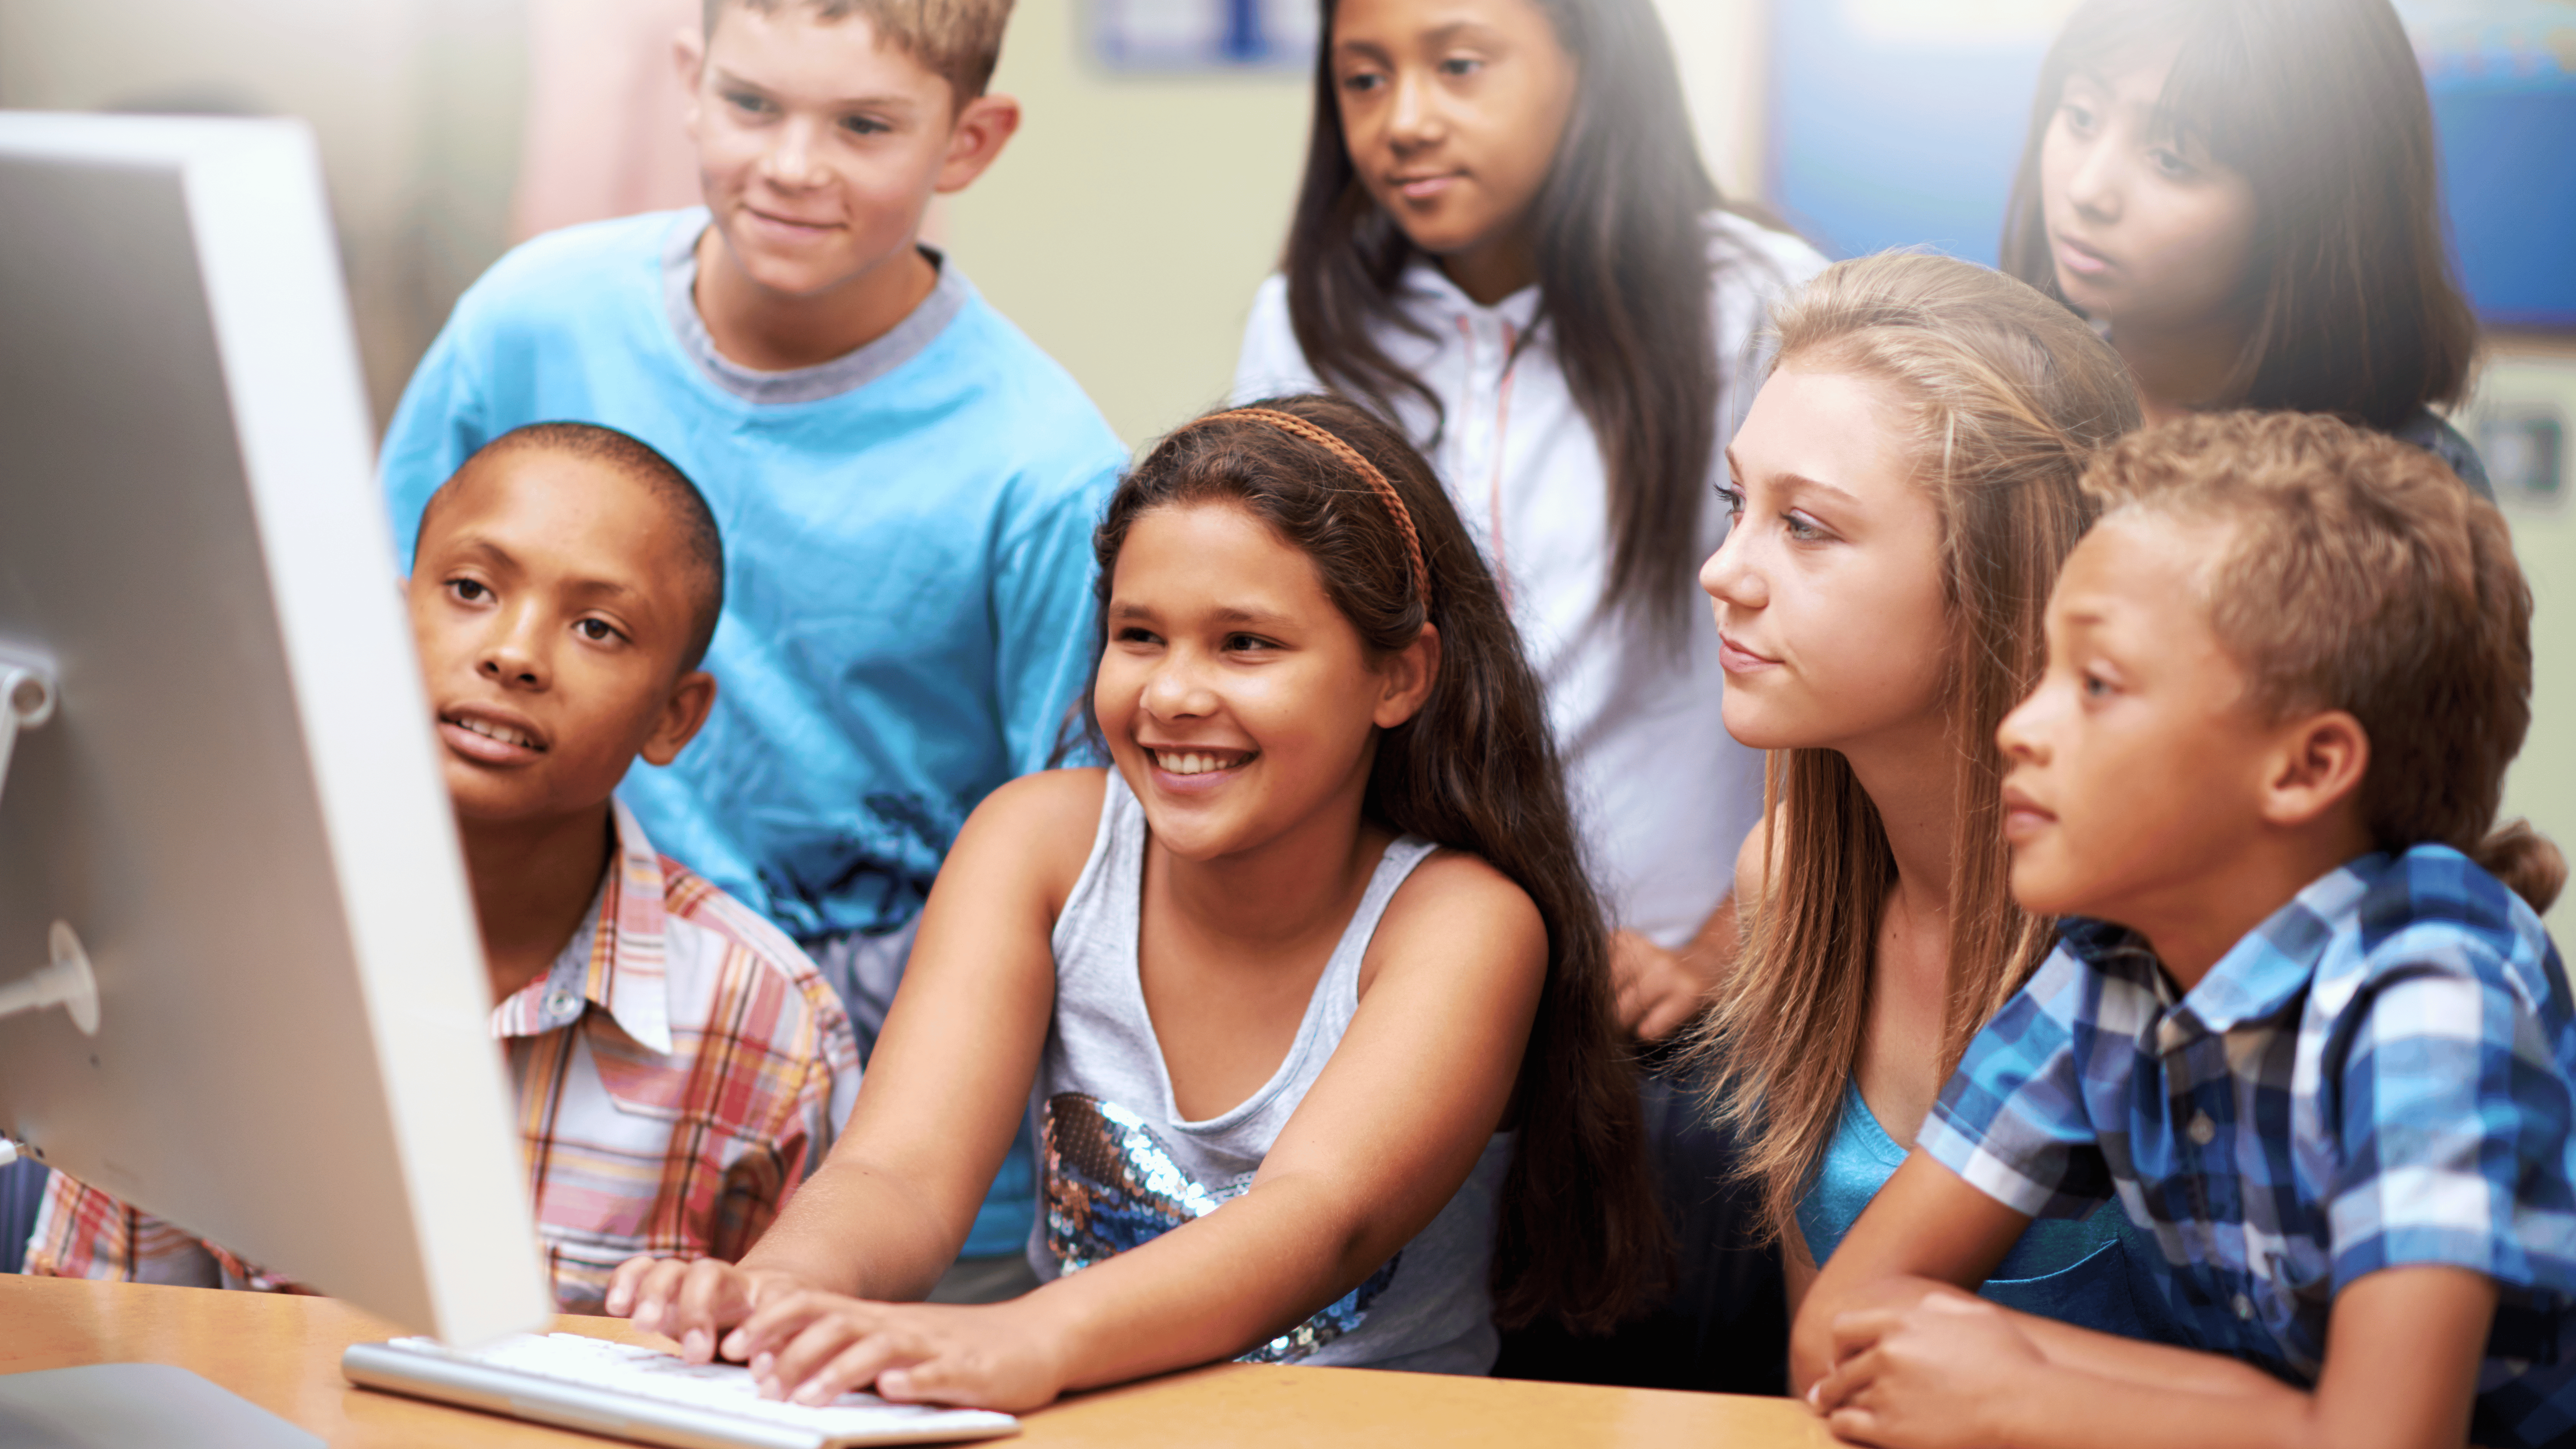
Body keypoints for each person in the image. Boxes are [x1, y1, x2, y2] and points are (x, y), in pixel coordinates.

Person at [602, 395, 1664, 1408]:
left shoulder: (1464, 921)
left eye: (1246, 644)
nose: (1172, 695)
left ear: (1399, 676)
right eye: (1140, 636)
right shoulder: (1037, 845)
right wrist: (781, 1287)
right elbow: (899, 1172)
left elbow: (1318, 1217)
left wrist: (1025, 1336)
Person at [377, 0, 1127, 1284]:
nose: (792, 164)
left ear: (970, 140)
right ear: (688, 79)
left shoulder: (1044, 474)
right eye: (751, 105)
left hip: (892, 1166)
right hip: (526, 1095)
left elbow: (1079, 849)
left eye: (864, 125)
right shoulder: (530, 321)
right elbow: (361, 652)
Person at [1798, 413, 2572, 1449]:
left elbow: (2390, 1440)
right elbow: (1837, 1331)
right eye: (2041, 677)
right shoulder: (2111, 965)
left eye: (2098, 685)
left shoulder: (2430, 989)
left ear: (2304, 769)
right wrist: (2271, 1417)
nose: (2017, 728)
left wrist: (2031, 1393)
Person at [27, 425, 861, 1312]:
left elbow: (780, 1375)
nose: (514, 653)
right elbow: (103, 1342)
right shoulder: (193, 952)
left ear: (675, 716)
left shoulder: (769, 1024)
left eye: (598, 627)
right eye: (471, 589)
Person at [1230, 0, 1827, 1043]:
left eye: (1459, 66)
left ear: (1588, 63)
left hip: (1687, 1002)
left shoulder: (1753, 302)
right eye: (1363, 78)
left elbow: (1850, 656)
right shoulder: (1308, 321)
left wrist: (1736, 937)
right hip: (1406, 987)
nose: (1404, 119)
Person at [1692, 252, 2181, 1354]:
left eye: (1804, 526)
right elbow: (1822, 1376)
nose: (1725, 569)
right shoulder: (1786, 885)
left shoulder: (2169, 943)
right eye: (1737, 503)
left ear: (2004, 571)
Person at [1999, 0, 2492, 493]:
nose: (2087, 192)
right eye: (2082, 117)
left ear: (2312, 208)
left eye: (2171, 159)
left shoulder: (2403, 492)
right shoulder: (2005, 419)